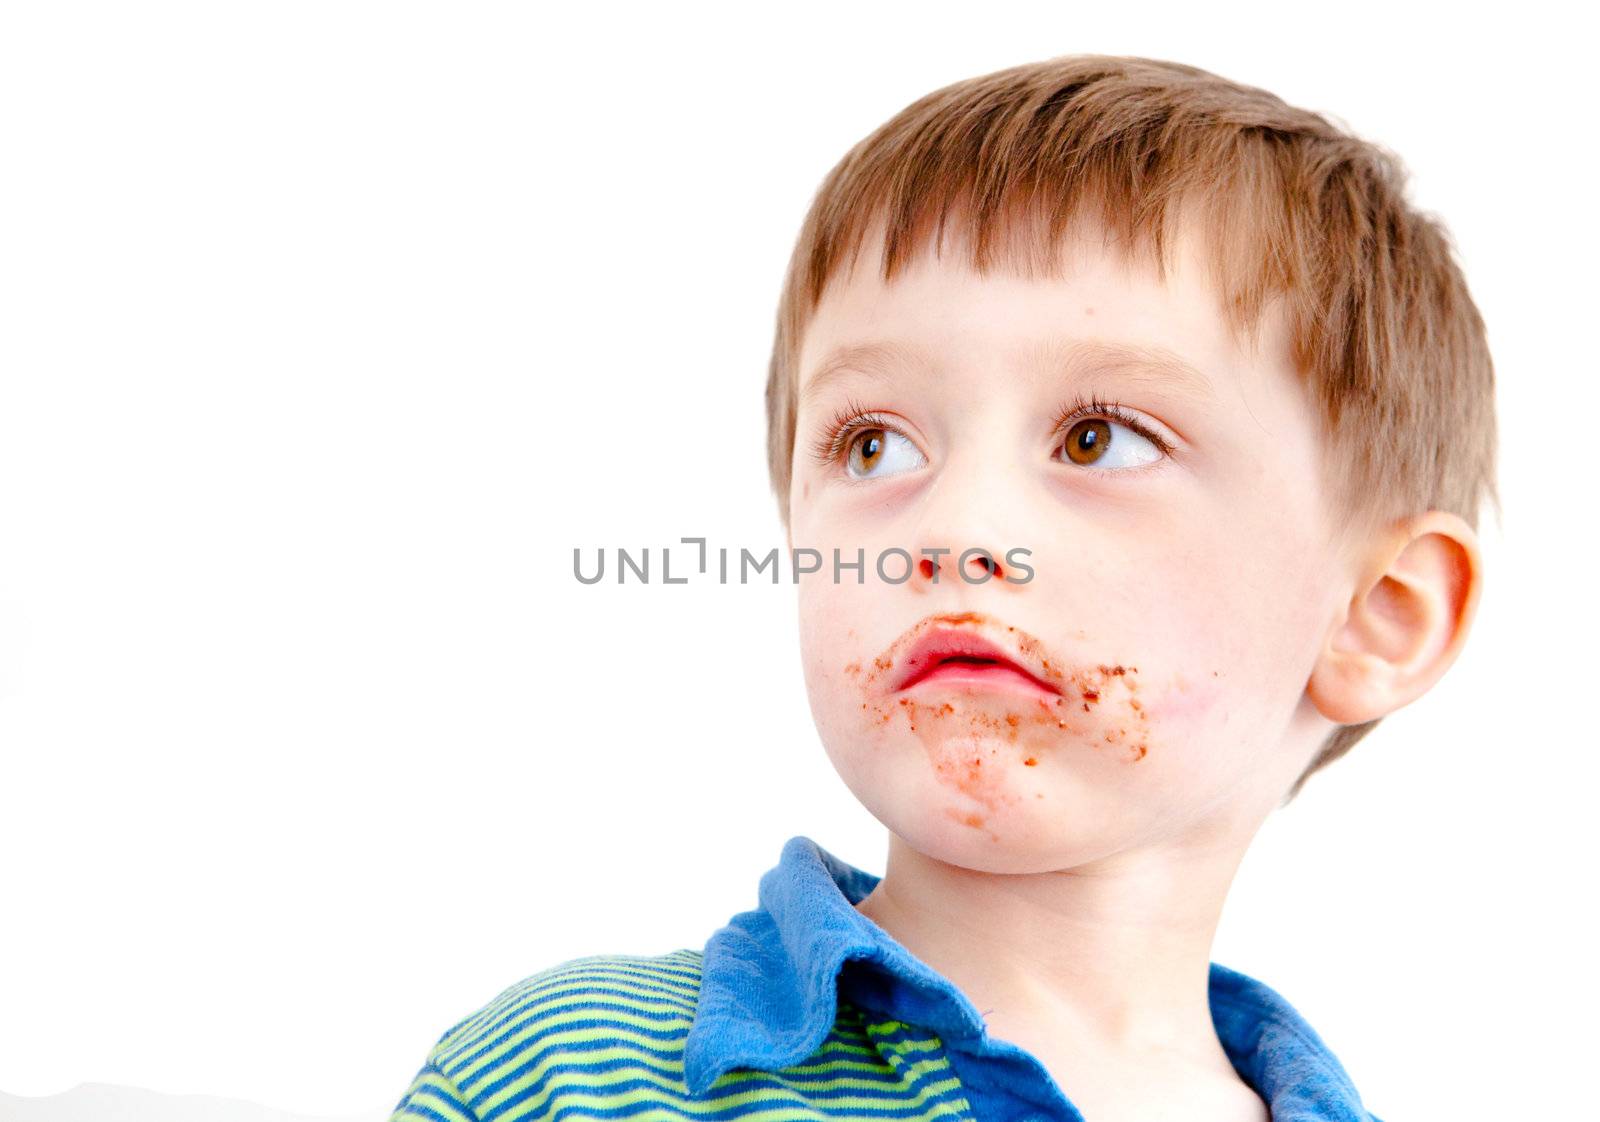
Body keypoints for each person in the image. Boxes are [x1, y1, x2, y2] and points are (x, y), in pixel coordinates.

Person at [389, 53, 1494, 1122]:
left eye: (1099, 437)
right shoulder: (565, 1077)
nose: (953, 530)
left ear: (1376, 617)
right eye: (871, 446)